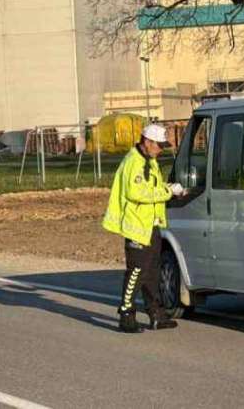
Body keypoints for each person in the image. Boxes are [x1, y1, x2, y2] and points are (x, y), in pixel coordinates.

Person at [102, 124, 186, 333]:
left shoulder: (149, 161)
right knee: (137, 271)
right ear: (147, 142)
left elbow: (152, 188)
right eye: (158, 145)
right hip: (137, 226)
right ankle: (126, 313)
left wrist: (170, 190)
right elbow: (137, 193)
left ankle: (155, 313)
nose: (160, 150)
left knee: (152, 271)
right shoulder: (135, 163)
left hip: (150, 224)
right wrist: (168, 192)